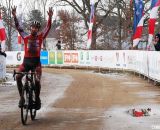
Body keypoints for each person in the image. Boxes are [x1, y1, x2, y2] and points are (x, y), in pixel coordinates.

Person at [12, 6, 53, 110]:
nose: (34, 29)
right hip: (26, 62)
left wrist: (50, 18)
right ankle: (22, 97)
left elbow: (48, 28)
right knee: (18, 77)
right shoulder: (25, 36)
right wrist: (14, 16)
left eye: (36, 28)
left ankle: (37, 98)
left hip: (36, 63)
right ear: (30, 28)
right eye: (32, 27)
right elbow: (18, 27)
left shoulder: (40, 37)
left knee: (37, 81)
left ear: (38, 29)